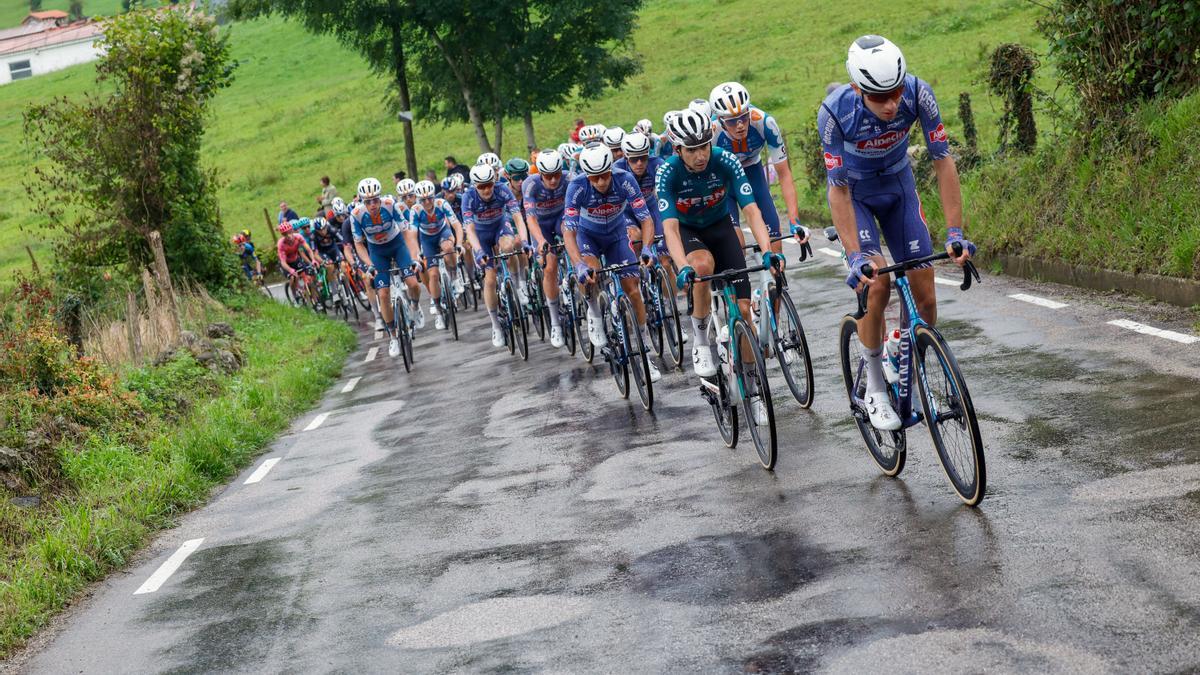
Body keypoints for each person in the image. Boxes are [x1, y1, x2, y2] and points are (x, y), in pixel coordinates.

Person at [819, 35, 975, 430]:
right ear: (857, 89)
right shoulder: (835, 114)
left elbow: (943, 161)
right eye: (879, 96)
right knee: (877, 283)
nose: (891, 104)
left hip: (898, 189)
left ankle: (898, 353)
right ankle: (874, 389)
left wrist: (955, 231)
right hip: (857, 196)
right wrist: (854, 256)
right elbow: (837, 190)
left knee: (926, 300)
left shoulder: (919, 94)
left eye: (895, 92)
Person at [657, 109, 778, 412]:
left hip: (720, 226)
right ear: (677, 150)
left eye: (704, 146)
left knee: (745, 311)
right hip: (688, 231)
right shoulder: (668, 172)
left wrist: (767, 251)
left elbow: (752, 211)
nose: (700, 155)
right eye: (691, 149)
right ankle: (700, 339)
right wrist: (681, 266)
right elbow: (670, 229)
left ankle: (754, 391)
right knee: (701, 267)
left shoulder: (724, 160)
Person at [562, 145, 662, 383]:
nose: (601, 181)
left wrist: (647, 247)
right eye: (594, 177)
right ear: (587, 175)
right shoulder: (577, 187)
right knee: (590, 272)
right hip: (588, 237)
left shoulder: (624, 179)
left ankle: (644, 351)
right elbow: (568, 232)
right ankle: (595, 313)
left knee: (634, 291)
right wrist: (578, 265)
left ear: (610, 169)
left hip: (617, 234)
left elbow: (646, 219)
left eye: (604, 174)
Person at [709, 81, 810, 260]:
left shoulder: (765, 123)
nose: (740, 125)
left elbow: (785, 175)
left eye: (744, 117)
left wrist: (795, 222)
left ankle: (777, 285)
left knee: (776, 247)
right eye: (732, 121)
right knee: (736, 246)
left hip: (752, 172)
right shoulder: (712, 133)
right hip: (724, 181)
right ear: (721, 122)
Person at [350, 177, 425, 358]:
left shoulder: (391, 205)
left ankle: (415, 307)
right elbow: (359, 244)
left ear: (380, 198)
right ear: (362, 201)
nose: (373, 205)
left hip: (397, 244)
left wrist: (414, 257)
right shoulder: (356, 214)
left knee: (413, 283)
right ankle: (393, 336)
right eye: (369, 202)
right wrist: (370, 266)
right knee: (383, 294)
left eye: (376, 200)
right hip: (377, 251)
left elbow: (407, 233)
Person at [462, 163, 527, 348]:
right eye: (481, 186)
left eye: (489, 184)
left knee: (509, 246)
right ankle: (496, 325)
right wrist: (478, 250)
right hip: (481, 235)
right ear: (475, 186)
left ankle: (516, 284)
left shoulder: (502, 190)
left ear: (494, 181)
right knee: (490, 280)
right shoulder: (468, 197)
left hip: (500, 226)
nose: (486, 189)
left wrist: (524, 240)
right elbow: (470, 230)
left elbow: (517, 217)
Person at [522, 149, 569, 348]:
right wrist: (540, 241)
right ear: (540, 173)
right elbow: (530, 218)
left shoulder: (569, 178)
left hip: (560, 219)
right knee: (550, 267)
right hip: (541, 225)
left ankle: (571, 278)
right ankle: (555, 323)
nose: (553, 180)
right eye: (548, 176)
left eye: (557, 174)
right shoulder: (530, 184)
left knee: (570, 232)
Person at [411, 180, 464, 331]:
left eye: (429, 198)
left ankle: (454, 278)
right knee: (433, 275)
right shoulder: (415, 210)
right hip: (427, 240)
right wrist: (416, 255)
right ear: (418, 200)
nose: (427, 202)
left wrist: (459, 244)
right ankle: (439, 313)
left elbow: (457, 226)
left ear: (434, 196)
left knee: (448, 247)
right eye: (423, 200)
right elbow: (412, 235)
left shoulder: (442, 204)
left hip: (443, 233)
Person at [333, 197, 384, 330]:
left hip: (378, 248)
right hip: (362, 253)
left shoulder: (372, 217)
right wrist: (352, 263)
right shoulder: (347, 225)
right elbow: (347, 248)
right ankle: (378, 317)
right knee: (368, 280)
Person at [276, 220, 320, 301]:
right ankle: (294, 294)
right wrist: (290, 270)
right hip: (286, 264)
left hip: (296, 260)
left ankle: (315, 300)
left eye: (289, 232)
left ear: (292, 231)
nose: (288, 235)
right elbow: (283, 262)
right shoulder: (281, 244)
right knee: (293, 277)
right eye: (285, 234)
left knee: (307, 278)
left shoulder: (298, 237)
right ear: (282, 235)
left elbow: (309, 250)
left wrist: (313, 260)